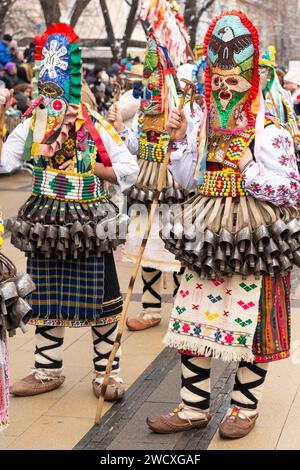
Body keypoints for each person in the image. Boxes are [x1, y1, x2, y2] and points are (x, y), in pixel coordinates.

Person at [148, 10, 300, 439]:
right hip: (208, 237)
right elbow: (181, 179)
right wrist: (177, 140)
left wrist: (249, 166)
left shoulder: (270, 132)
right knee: (193, 322)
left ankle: (244, 409)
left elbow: (293, 190)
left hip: (256, 241)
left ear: (251, 82)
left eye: (234, 81)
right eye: (219, 80)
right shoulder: (201, 128)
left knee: (253, 327)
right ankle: (193, 406)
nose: (225, 89)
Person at [1, 23, 139, 400]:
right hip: (45, 222)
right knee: (44, 293)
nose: (51, 102)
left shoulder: (91, 128)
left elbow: (128, 169)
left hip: (88, 223)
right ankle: (47, 369)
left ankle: (107, 372)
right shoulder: (31, 124)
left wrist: (90, 167)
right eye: (46, 93)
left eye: (57, 92)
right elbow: (4, 162)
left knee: (104, 295)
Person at [108, 33, 202, 332]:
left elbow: (191, 149)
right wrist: (121, 130)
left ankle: (181, 310)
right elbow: (135, 146)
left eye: (154, 82)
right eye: (146, 84)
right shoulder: (143, 111)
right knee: (144, 249)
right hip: (145, 185)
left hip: (172, 188)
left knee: (173, 250)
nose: (149, 89)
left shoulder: (183, 111)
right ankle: (150, 310)